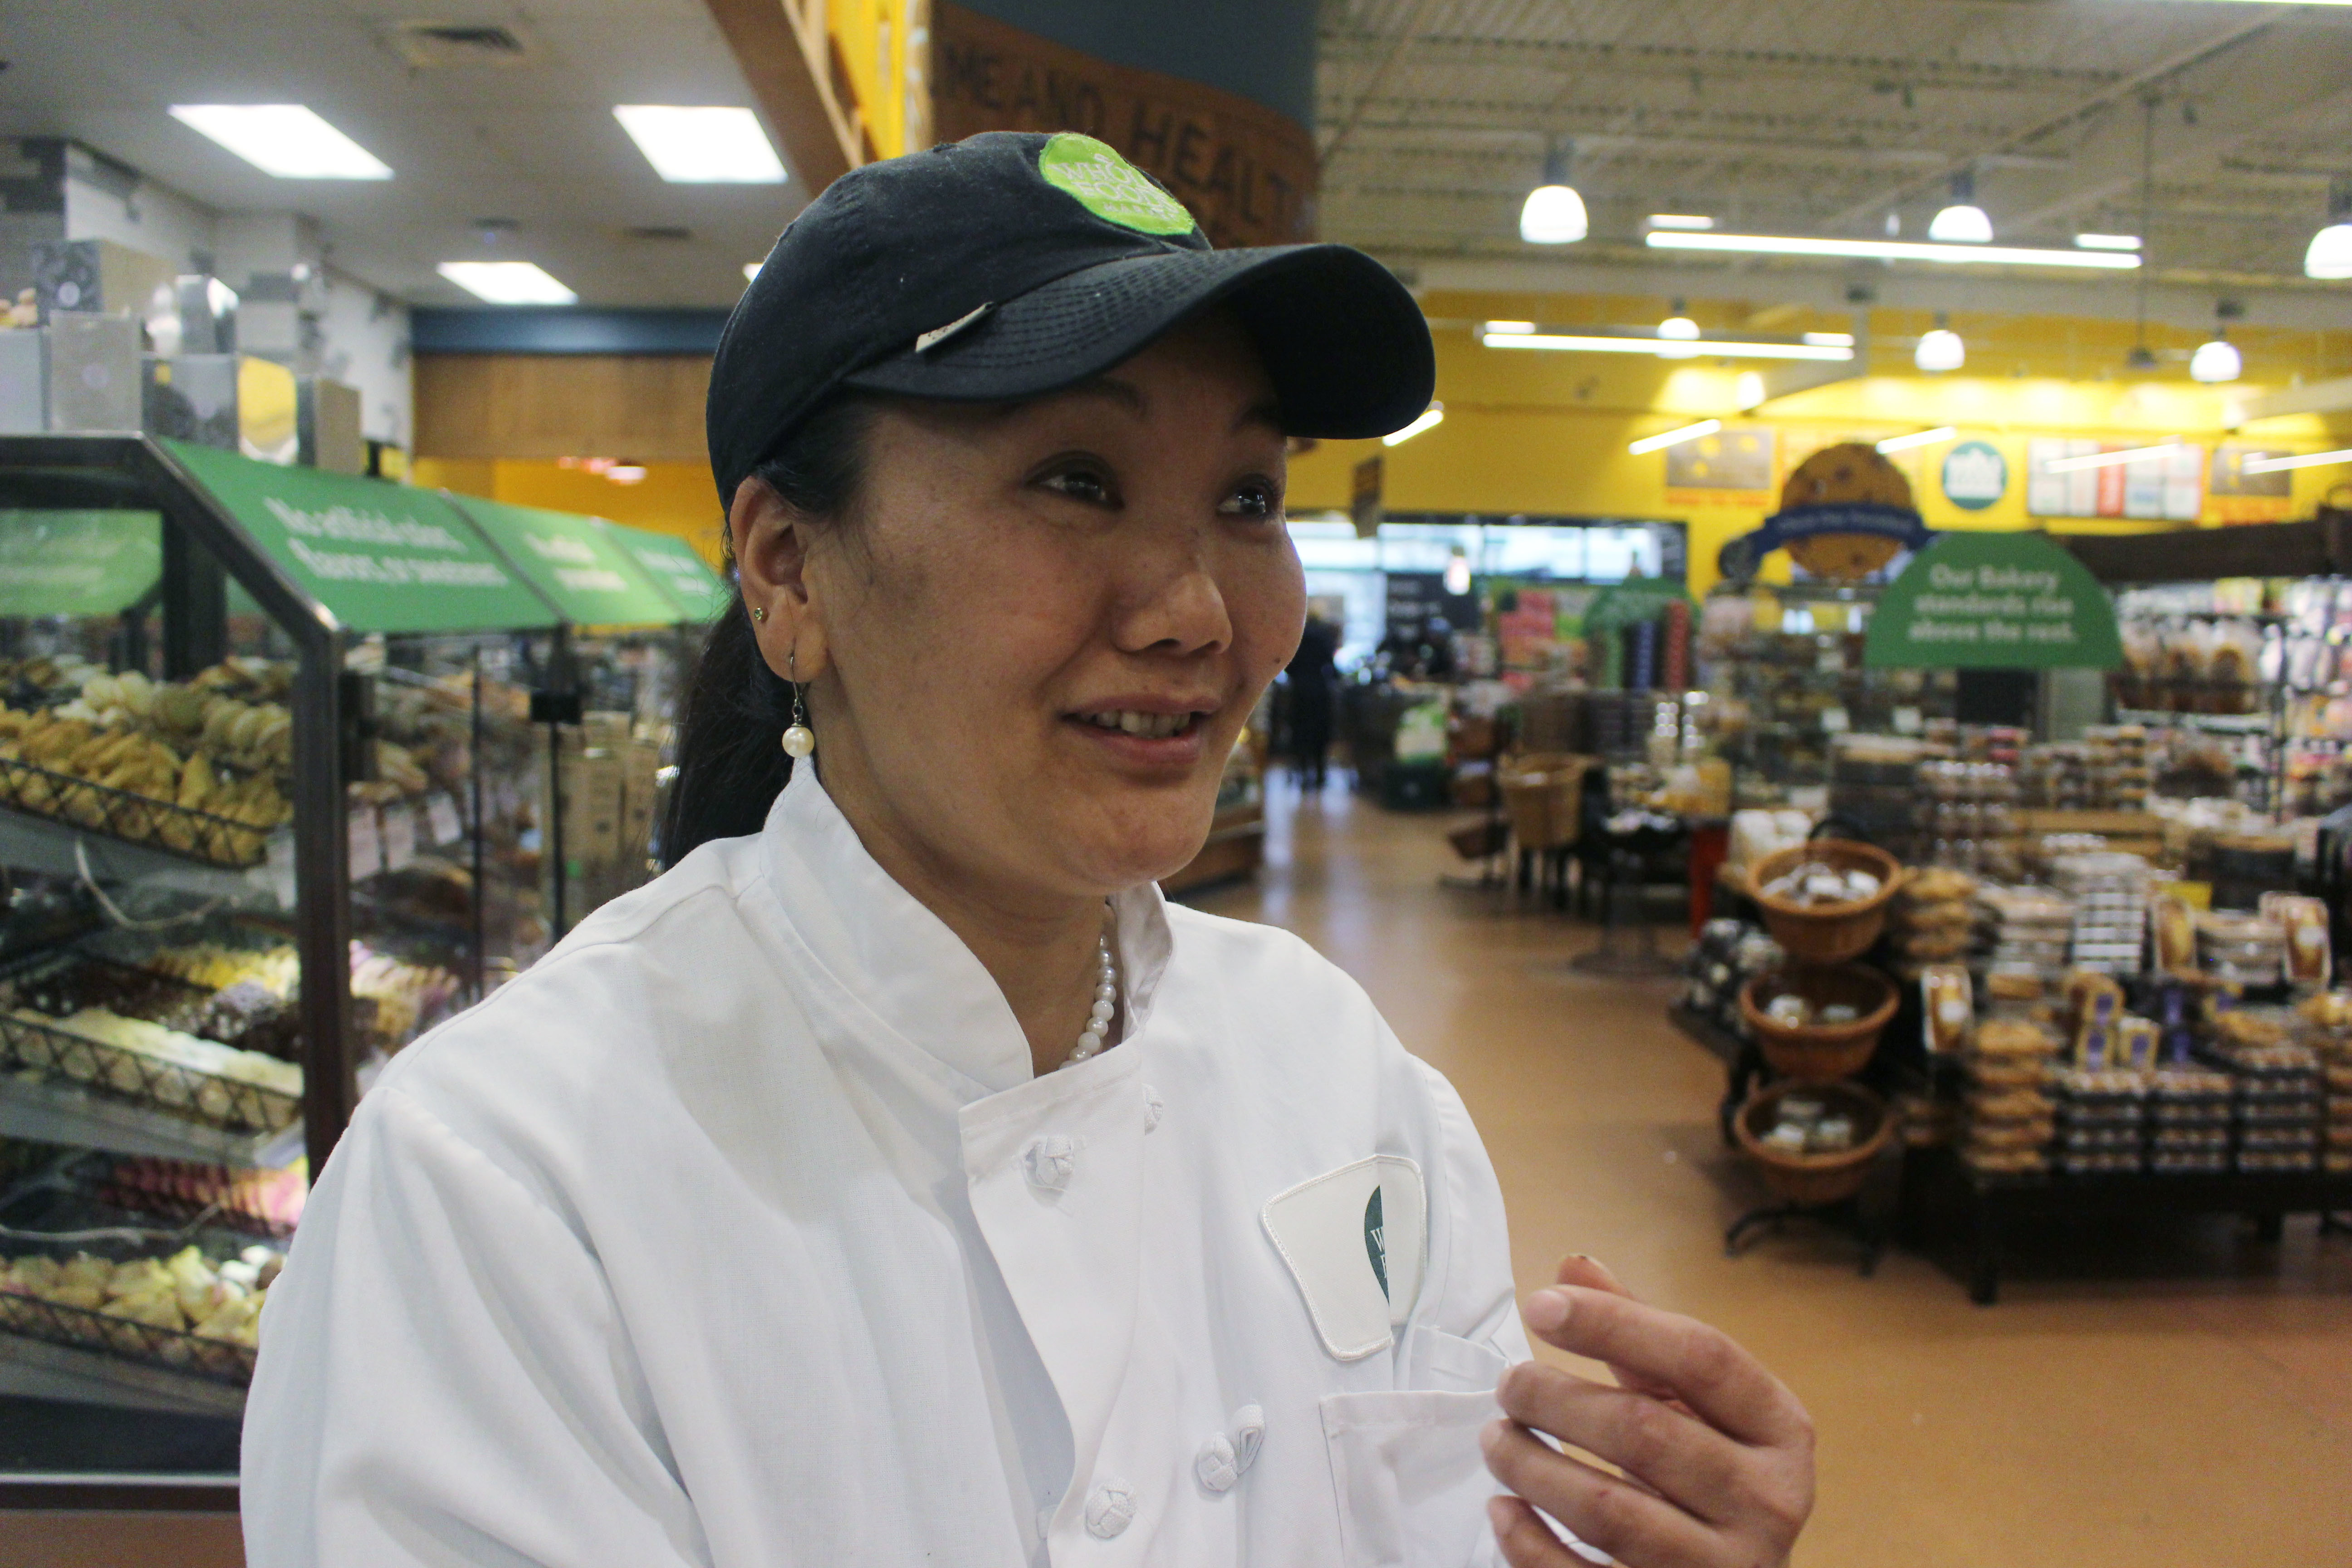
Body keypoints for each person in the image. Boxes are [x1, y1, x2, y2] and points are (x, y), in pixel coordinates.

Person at [241, 132, 1812, 1567]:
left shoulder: (1334, 1068)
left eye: (1247, 496)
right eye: (1076, 480)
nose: (1199, 609)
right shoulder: (510, 1190)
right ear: (790, 569)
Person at [1286, 610, 1339, 789]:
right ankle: (1320, 774)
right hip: (1320, 691)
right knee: (1320, 733)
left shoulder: (1298, 637)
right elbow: (1331, 665)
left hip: (1300, 691)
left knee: (1301, 732)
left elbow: (1289, 666)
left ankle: (1302, 773)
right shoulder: (1325, 637)